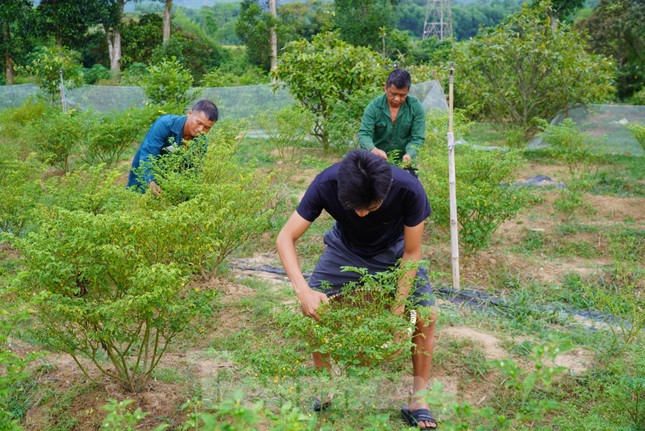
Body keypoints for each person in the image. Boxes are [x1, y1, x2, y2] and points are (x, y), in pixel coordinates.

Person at [276, 149, 437, 429]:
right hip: (345, 249)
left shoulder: (409, 189)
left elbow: (412, 253)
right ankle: (325, 386)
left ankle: (418, 400)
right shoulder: (327, 183)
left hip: (396, 250)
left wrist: (396, 310)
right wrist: (303, 291)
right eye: (355, 207)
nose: (361, 213)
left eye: (370, 207)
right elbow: (285, 237)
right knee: (314, 306)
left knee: (426, 315)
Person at [127, 99, 218, 193]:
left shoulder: (201, 142)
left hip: (171, 183)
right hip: (145, 174)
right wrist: (150, 181)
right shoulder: (165, 124)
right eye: (199, 123)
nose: (200, 129)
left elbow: (192, 171)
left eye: (207, 127)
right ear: (190, 113)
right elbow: (148, 154)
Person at [358, 68, 426, 167]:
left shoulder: (416, 108)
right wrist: (373, 149)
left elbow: (417, 138)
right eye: (393, 94)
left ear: (408, 91)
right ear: (385, 88)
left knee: (410, 182)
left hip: (403, 163)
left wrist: (409, 154)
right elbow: (364, 134)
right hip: (374, 160)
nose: (397, 99)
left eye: (402, 95)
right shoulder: (374, 107)